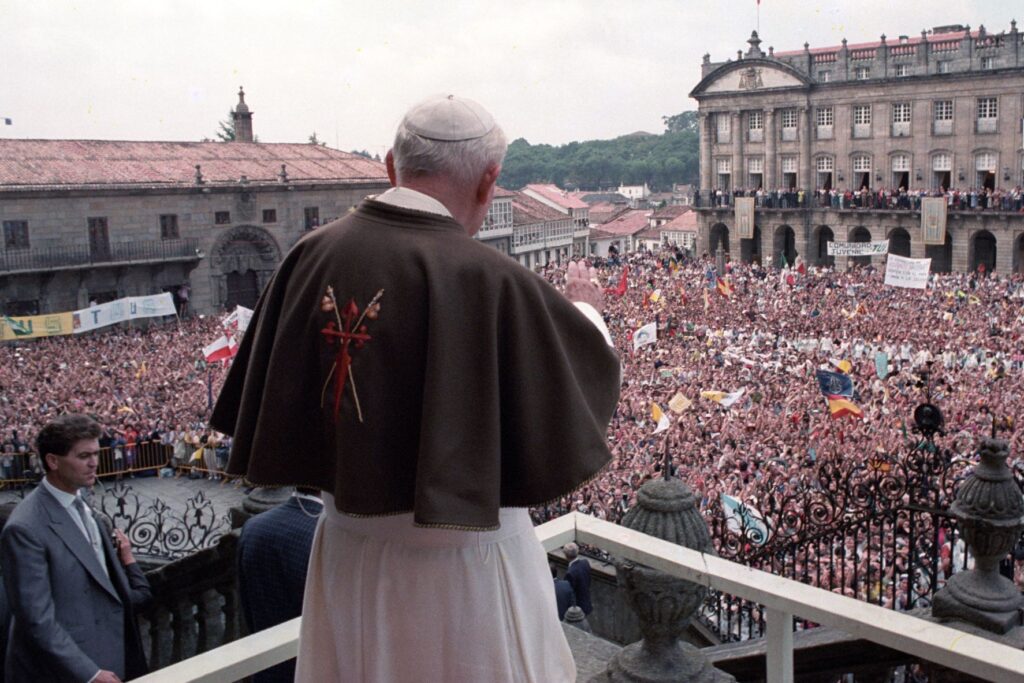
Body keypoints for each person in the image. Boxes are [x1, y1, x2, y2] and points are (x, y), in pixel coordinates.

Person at [211, 94, 620, 682]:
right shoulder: (492, 279)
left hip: (348, 560)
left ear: (388, 166)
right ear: (489, 181)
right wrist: (587, 312)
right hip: (468, 576)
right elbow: (583, 389)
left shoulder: (306, 257)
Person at [0, 414, 151, 682]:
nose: (94, 463)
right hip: (65, 672)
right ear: (53, 461)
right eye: (83, 456)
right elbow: (36, 620)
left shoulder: (82, 505)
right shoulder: (24, 528)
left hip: (109, 655)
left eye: (96, 453)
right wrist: (89, 673)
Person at [237, 487, 323, 683]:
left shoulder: (253, 527)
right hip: (309, 669)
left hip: (265, 667)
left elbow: (246, 604)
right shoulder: (325, 535)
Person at [563, 542, 594, 616]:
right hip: (587, 602)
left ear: (566, 555)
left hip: (578, 609)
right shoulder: (585, 563)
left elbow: (569, 593)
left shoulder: (570, 573)